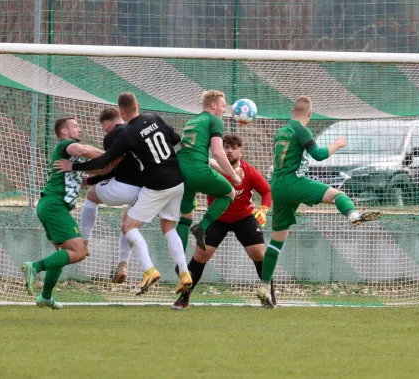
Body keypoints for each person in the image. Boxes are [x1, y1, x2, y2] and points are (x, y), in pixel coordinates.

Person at [54, 93, 192, 295]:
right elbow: (176, 138)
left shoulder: (128, 134)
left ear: (121, 112)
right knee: (168, 227)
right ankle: (185, 274)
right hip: (177, 182)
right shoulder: (153, 117)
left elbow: (104, 163)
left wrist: (74, 167)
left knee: (128, 226)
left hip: (156, 185)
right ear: (138, 105)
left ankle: (149, 270)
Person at [256, 96, 381, 308]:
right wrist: (336, 144)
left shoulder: (280, 131)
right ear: (310, 114)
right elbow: (320, 155)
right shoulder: (300, 129)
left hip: (277, 187)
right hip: (294, 182)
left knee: (276, 242)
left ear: (291, 111)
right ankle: (352, 215)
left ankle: (264, 286)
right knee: (338, 196)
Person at [172, 134, 273, 310]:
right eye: (225, 147)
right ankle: (184, 297)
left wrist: (264, 208)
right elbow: (194, 183)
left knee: (259, 253)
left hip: (244, 217)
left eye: (234, 147)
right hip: (216, 218)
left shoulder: (249, 171)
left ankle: (269, 294)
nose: (229, 151)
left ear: (241, 150)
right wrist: (191, 198)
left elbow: (267, 191)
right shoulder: (210, 171)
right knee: (201, 255)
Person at [22, 117, 106, 309]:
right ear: (64, 132)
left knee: (63, 252)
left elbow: (95, 168)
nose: (79, 128)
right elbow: (83, 150)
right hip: (54, 205)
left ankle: (45, 296)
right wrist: (111, 154)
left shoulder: (71, 157)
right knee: (79, 251)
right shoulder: (66, 145)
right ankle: (34, 267)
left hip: (49, 204)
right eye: (75, 126)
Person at [80, 107, 143, 283]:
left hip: (123, 187)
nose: (104, 131)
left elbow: (110, 168)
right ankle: (123, 264)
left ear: (107, 124)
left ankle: (84, 242)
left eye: (103, 127)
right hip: (145, 192)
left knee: (91, 197)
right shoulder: (136, 133)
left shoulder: (112, 136)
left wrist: (90, 181)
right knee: (128, 225)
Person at [175, 90, 242, 253]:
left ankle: (181, 266)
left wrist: (229, 172)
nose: (224, 109)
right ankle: (202, 227)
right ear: (214, 105)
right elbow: (218, 152)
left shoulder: (193, 120)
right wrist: (234, 176)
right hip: (197, 171)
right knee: (229, 193)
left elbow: (205, 157)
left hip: (179, 172)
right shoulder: (215, 120)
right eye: (223, 105)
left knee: (185, 218)